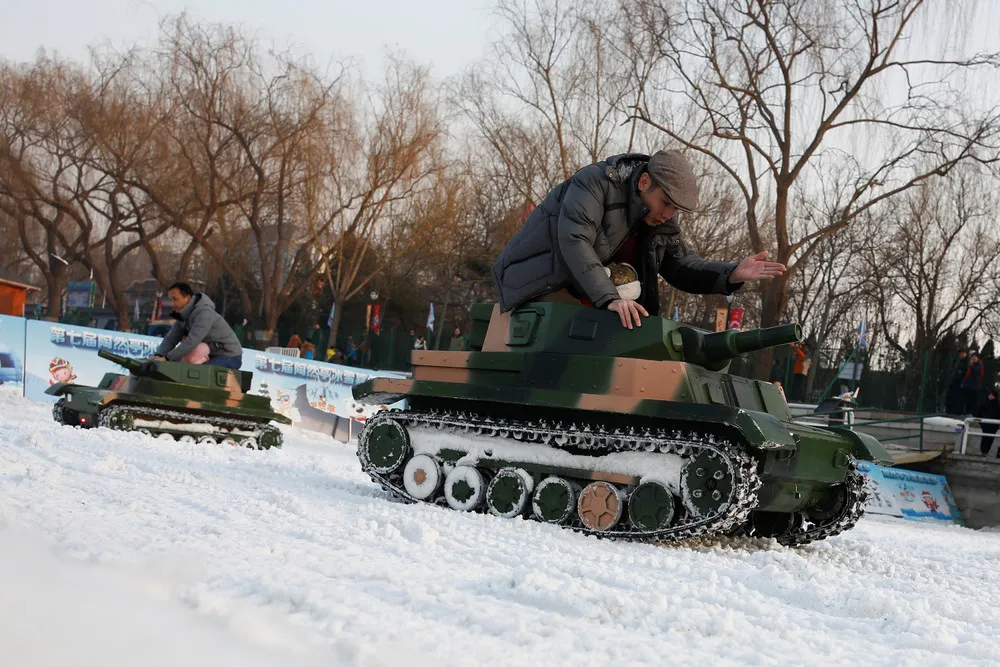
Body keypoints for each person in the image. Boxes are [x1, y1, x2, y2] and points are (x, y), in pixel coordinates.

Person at [491, 150, 785, 329]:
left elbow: (681, 266)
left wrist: (731, 273)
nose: (669, 215)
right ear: (644, 183)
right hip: (538, 283)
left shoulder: (661, 217)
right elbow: (575, 240)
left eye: (676, 209)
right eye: (666, 203)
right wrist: (609, 299)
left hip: (594, 292)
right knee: (589, 332)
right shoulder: (595, 183)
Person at [151, 282, 243, 369]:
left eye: (175, 299)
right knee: (182, 366)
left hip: (230, 357)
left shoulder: (204, 313)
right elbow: (171, 338)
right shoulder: (183, 315)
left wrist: (167, 358)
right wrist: (158, 355)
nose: (172, 304)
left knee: (198, 372)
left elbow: (192, 341)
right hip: (210, 355)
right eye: (170, 300)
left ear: (187, 297)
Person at [975, 389, 1000, 456]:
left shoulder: (997, 406)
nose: (990, 396)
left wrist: (997, 426)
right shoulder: (984, 404)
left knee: (990, 439)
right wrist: (980, 423)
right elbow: (978, 413)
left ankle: (986, 452)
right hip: (985, 425)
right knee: (985, 438)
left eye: (992, 395)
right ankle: (983, 451)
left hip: (993, 426)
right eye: (990, 395)